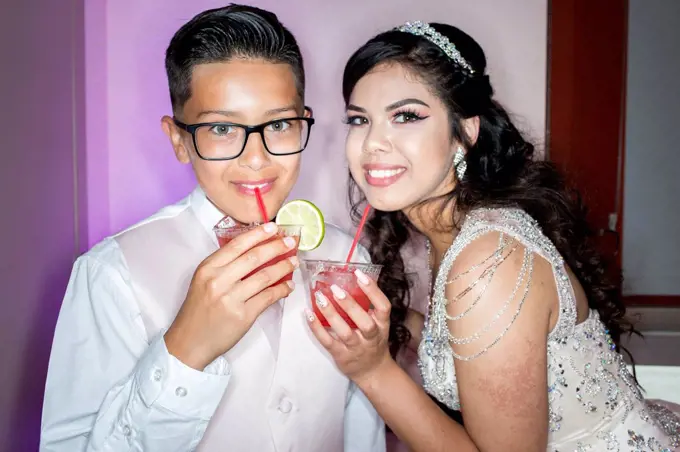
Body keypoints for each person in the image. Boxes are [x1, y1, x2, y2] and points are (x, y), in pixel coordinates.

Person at [306, 20, 680, 451]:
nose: (372, 143)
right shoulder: (464, 228)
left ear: (465, 132)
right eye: (359, 119)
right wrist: (395, 317)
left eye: (405, 116)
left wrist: (371, 370)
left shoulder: (488, 261)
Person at [40, 5, 385, 451]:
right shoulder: (110, 274)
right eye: (222, 128)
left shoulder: (347, 258)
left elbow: (361, 429)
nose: (256, 158)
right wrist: (185, 347)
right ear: (179, 140)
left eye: (279, 124)